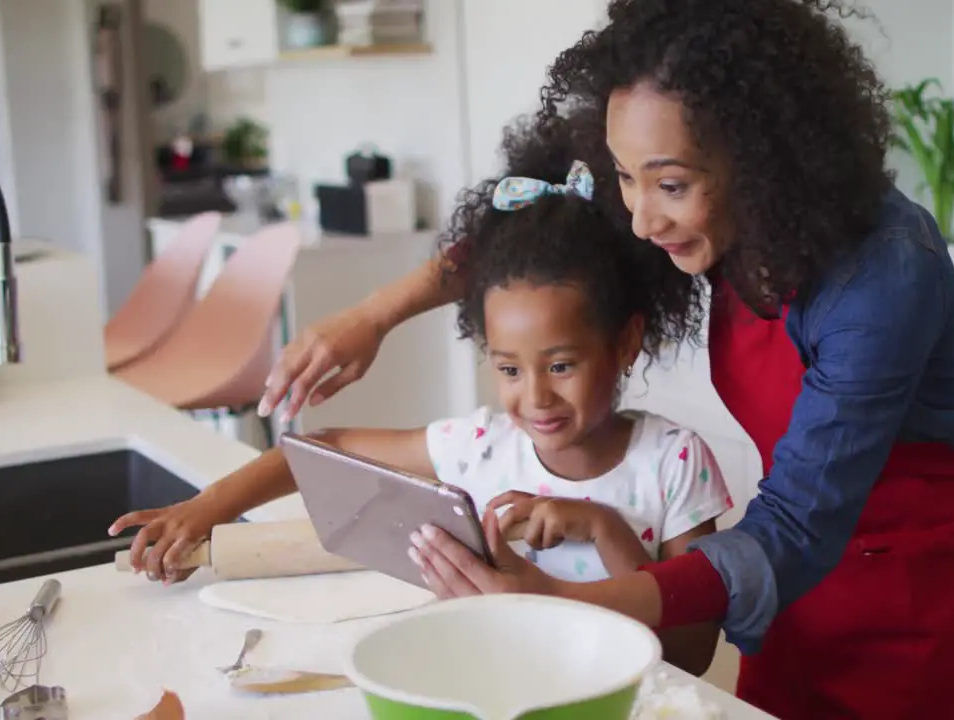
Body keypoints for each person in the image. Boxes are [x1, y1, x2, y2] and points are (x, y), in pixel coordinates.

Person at [257, 1, 954, 717]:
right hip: (793, 597)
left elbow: (794, 524)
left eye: (668, 185)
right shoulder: (709, 213)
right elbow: (533, 227)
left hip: (916, 607)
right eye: (625, 176)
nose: (639, 215)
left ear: (761, 164)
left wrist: (553, 599)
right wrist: (374, 315)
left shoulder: (884, 270)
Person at [109, 132, 734, 676]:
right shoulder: (482, 448)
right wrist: (207, 509)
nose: (535, 396)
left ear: (625, 341)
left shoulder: (674, 463)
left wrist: (604, 528)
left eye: (562, 365)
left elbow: (690, 654)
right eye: (508, 368)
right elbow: (323, 450)